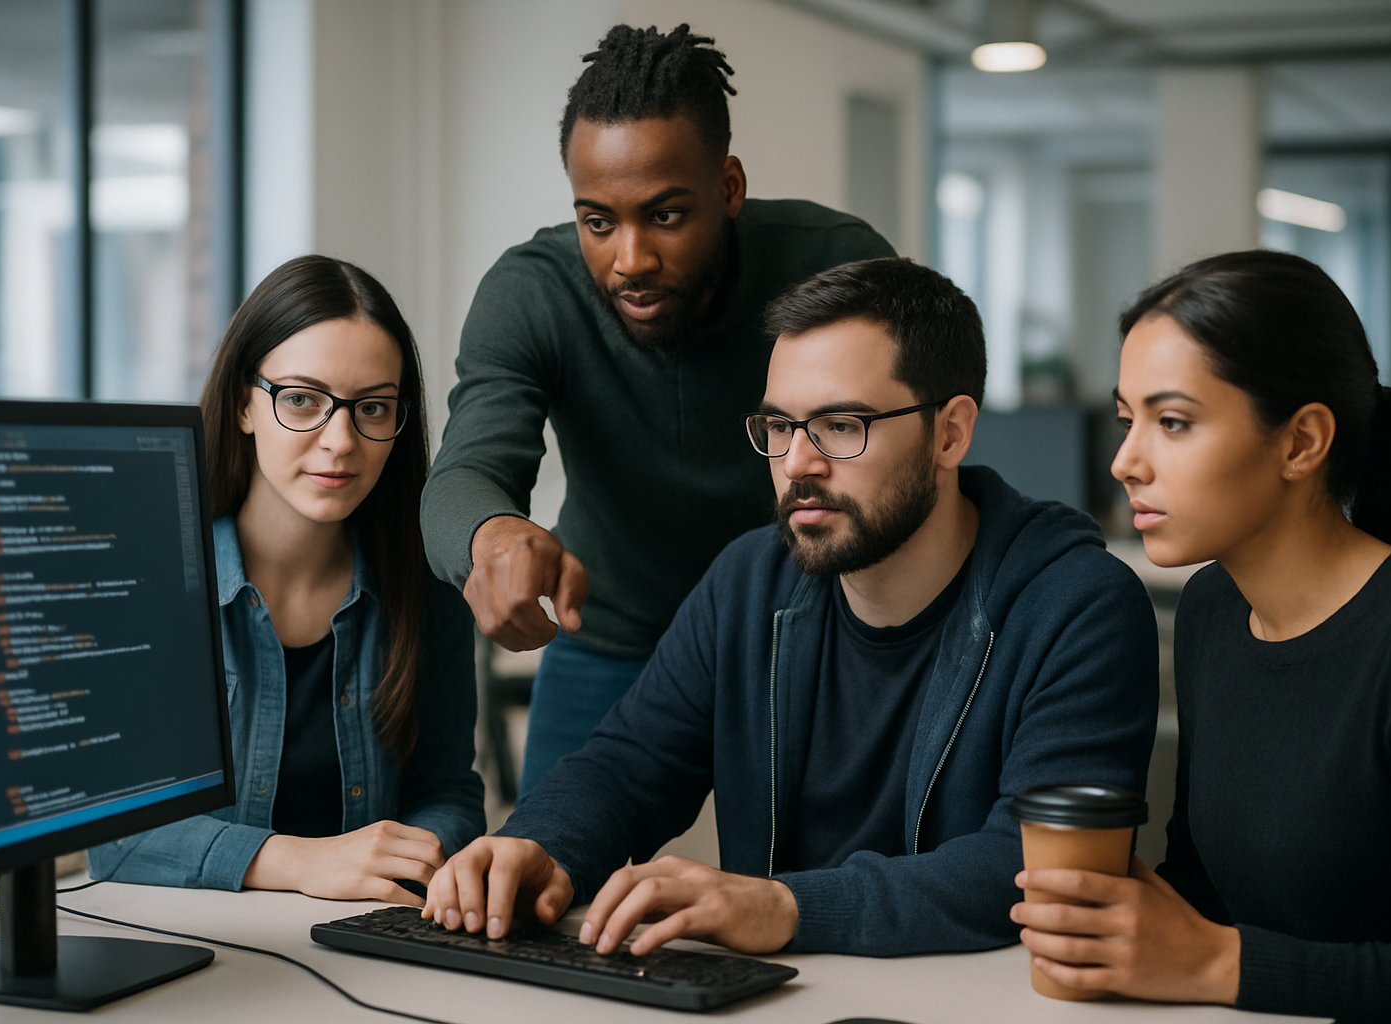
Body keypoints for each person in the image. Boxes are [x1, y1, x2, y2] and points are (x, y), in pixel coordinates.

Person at [421, 257, 1158, 957]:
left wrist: (784, 907)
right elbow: (629, 765)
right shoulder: (749, 580)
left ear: (950, 431)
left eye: (841, 426)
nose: (798, 464)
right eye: (779, 427)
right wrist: (538, 847)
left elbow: (1035, 866)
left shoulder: (1077, 605)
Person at [421, 24, 895, 796]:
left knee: (819, 895)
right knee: (543, 878)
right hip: (610, 637)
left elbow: (898, 460)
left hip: (810, 635)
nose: (630, 259)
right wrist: (494, 536)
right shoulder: (533, 293)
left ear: (729, 187)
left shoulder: (835, 265)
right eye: (597, 221)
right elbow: (463, 473)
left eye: (666, 215)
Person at [1011, 250, 1391, 1022]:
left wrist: (1214, 962)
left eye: (1173, 422)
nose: (1126, 461)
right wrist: (1118, 924)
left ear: (1301, 442)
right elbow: (1204, 886)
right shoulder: (1214, 610)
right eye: (1128, 420)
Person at [89, 256, 486, 905]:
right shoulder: (151, 577)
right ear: (244, 404)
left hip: (367, 939)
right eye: (302, 399)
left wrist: (417, 854)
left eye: (374, 408)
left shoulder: (427, 582)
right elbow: (116, 836)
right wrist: (301, 863)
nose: (340, 440)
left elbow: (446, 790)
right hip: (205, 950)